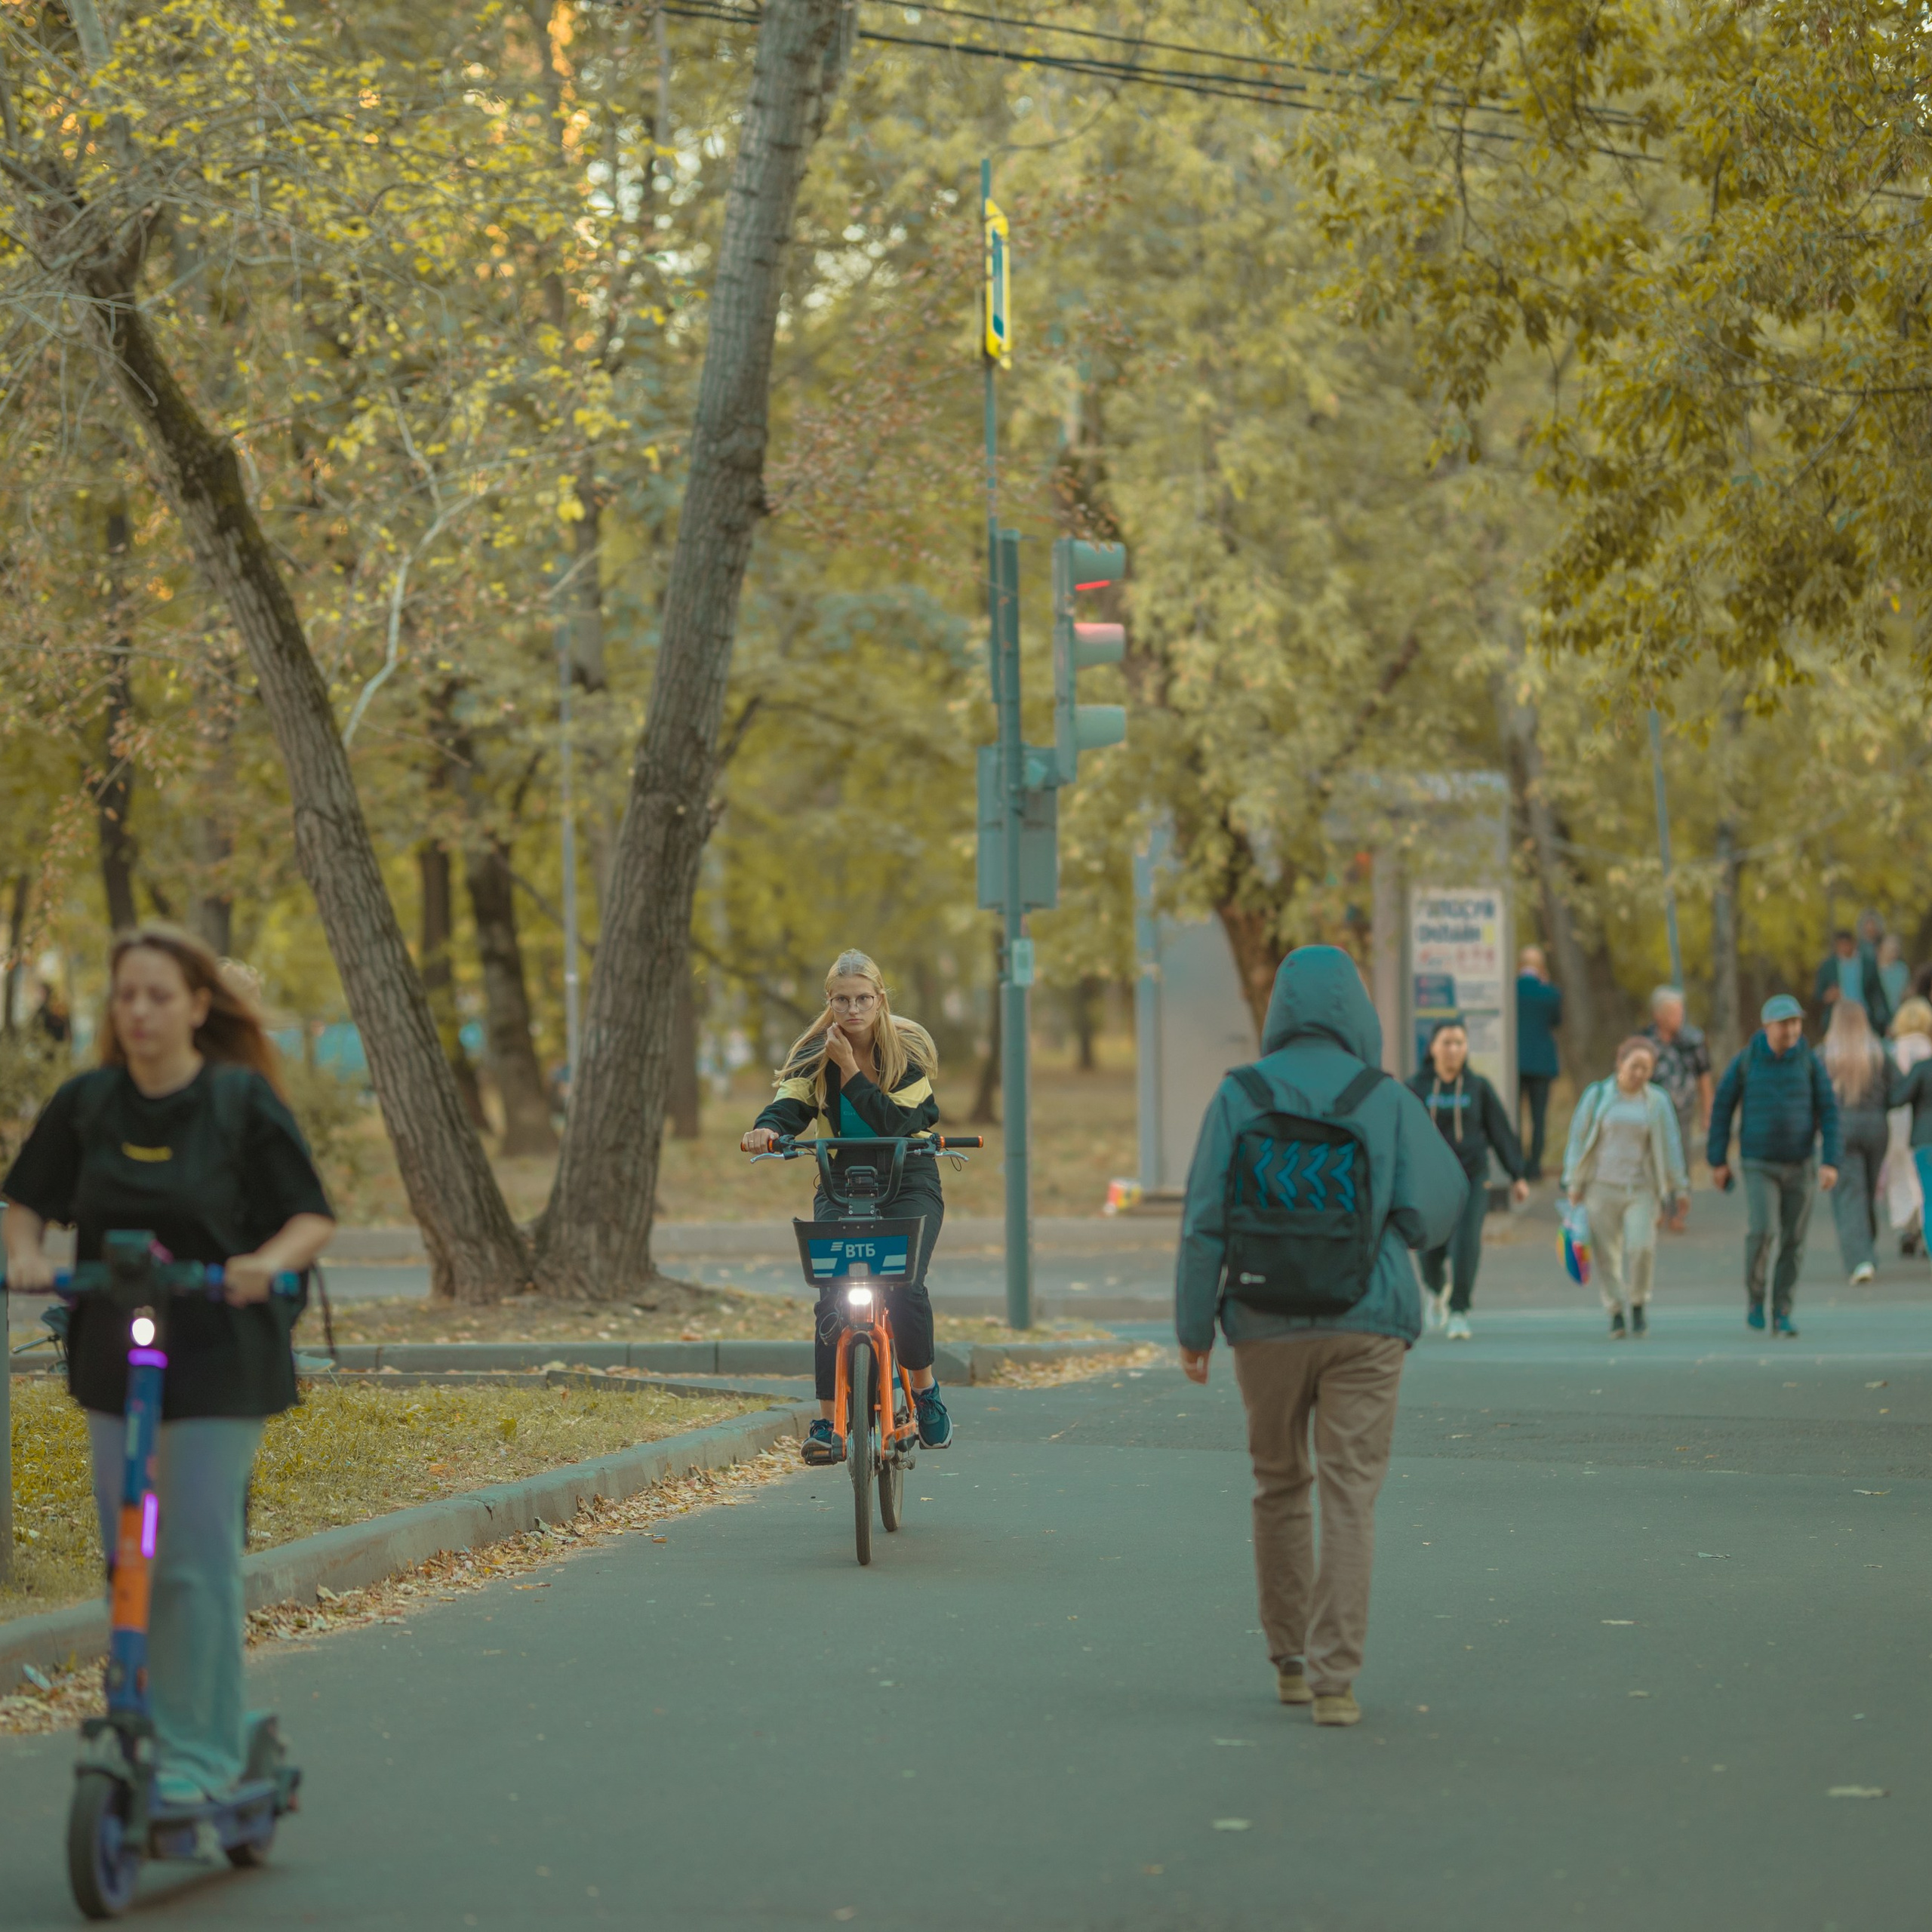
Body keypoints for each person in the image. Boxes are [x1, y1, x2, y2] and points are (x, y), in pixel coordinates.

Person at [1, 924, 334, 1805]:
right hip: (118, 1346)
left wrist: (265, 1261)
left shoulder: (238, 1101)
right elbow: (26, 1199)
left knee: (191, 1556)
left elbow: (308, 1215)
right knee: (129, 1552)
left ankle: (204, 1751)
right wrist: (28, 1251)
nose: (140, 1011)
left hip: (223, 1350)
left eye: (158, 995)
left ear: (195, 1004)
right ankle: (146, 1718)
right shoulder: (88, 1101)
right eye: (126, 996)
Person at [1175, 946, 1466, 1727]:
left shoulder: (1241, 1092)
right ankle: (1337, 1680)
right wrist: (1393, 1229)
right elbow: (1442, 1198)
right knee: (1349, 1494)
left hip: (1264, 1325)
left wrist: (1194, 1328)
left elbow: (1204, 1218)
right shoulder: (1384, 1095)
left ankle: (1291, 1663)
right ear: (1356, 1012)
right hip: (1365, 1322)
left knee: (1278, 1482)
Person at [741, 949, 952, 1463]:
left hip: (909, 1179)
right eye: (842, 999)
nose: (853, 1009)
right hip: (842, 1182)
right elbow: (790, 1103)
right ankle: (828, 1422)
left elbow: (896, 1125)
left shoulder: (907, 1053)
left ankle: (923, 1393)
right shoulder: (816, 1054)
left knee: (905, 1286)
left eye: (862, 999)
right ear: (830, 1002)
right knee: (833, 1293)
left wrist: (852, 1070)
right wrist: (770, 1129)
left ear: (879, 1000)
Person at [1707, 994, 1841, 1337]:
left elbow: (1829, 1111)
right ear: (1768, 1026)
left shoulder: (1808, 1062)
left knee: (1794, 1240)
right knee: (1762, 1230)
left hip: (1801, 1164)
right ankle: (1755, 1298)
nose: (1792, 1029)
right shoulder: (1747, 1060)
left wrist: (1830, 1162)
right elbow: (1722, 1107)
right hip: (1758, 1163)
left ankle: (1782, 1310)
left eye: (1796, 1022)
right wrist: (1717, 1160)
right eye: (1785, 1023)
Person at [1406, 1017, 1529, 1340]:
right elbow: (1399, 1135)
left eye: (1459, 1043)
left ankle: (1459, 1310)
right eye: (1446, 1042)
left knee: (1466, 1244)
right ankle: (1435, 1289)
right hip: (1428, 1180)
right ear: (1432, 1048)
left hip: (1471, 1178)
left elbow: (1500, 1132)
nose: (1453, 1049)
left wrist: (1517, 1174)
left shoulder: (1478, 1087)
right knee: (1429, 1247)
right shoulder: (1415, 1087)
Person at [1560, 1036, 1689, 1338]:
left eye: (1646, 1068)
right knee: (1608, 1255)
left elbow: (1671, 1145)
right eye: (1634, 1066)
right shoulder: (1598, 1095)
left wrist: (1679, 1188)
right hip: (1600, 1187)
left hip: (1641, 1188)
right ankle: (1616, 1310)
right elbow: (1578, 1139)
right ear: (1620, 1064)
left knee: (1641, 1247)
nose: (1639, 1074)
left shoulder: (1656, 1101)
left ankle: (1638, 1302)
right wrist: (1573, 1182)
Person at [1823, 998, 1890, 1285]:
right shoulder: (1879, 1054)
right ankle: (1867, 1249)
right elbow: (1896, 1089)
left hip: (1840, 1127)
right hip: (1875, 1126)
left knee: (1850, 1194)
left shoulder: (1824, 1055)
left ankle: (1860, 1258)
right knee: (1867, 1191)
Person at [1641, 986, 1712, 1232]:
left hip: (1682, 1109)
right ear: (1658, 1015)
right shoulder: (1645, 1041)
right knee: (1651, 1157)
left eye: (1680, 1012)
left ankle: (1677, 1210)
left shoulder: (1693, 1040)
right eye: (1673, 1013)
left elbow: (1705, 1077)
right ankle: (1657, 1206)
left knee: (1680, 1157)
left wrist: (1708, 1112)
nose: (1679, 1017)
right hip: (1650, 1110)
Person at [1884, 998, 1932, 1257]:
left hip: (1906, 1128)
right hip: (1921, 1128)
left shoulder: (1893, 1051)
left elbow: (1896, 1095)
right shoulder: (1927, 1052)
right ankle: (1923, 1232)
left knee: (1905, 1180)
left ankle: (1907, 1228)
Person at [1515, 946, 1562, 1180]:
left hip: (1515, 1061)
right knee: (1538, 1116)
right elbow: (1556, 1022)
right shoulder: (1551, 994)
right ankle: (1534, 1167)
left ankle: (1515, 1163)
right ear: (1541, 967)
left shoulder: (1511, 990)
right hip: (1542, 1063)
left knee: (1514, 1114)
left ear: (1519, 965)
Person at [1814, 928, 1892, 1037]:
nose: (1844, 948)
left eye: (1846, 944)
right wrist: (1827, 996)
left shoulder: (1868, 964)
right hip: (1838, 1018)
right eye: (1841, 945)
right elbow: (1818, 994)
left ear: (1854, 944)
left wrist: (1888, 1020)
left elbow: (1879, 993)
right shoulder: (1828, 966)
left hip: (1865, 1016)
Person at [1878, 934, 1910, 1018]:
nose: (1894, 952)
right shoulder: (1874, 969)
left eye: (1896, 949)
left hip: (1897, 1012)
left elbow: (1905, 992)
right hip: (1878, 1013)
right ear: (1882, 948)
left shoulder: (1902, 969)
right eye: (1891, 948)